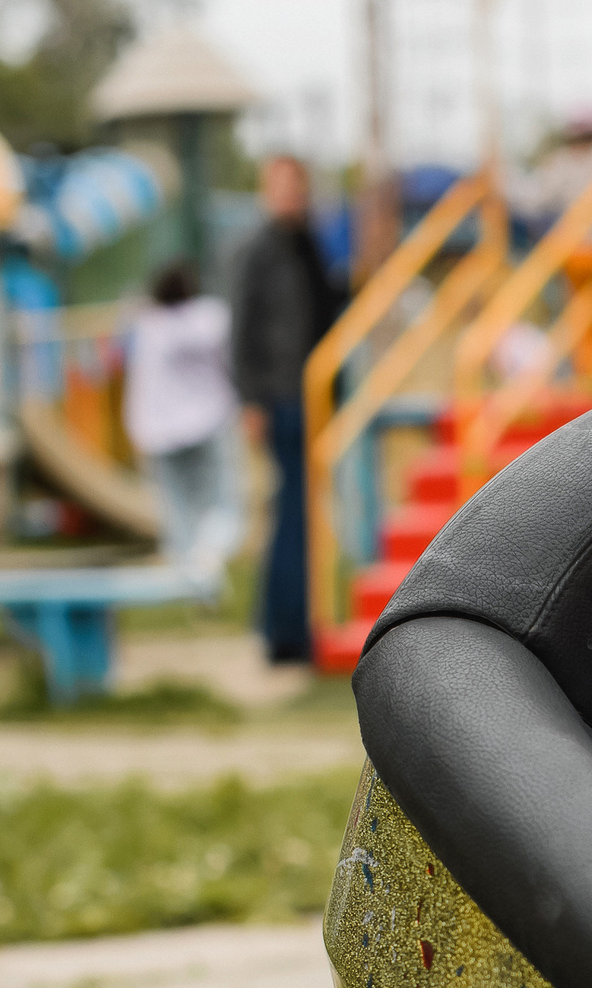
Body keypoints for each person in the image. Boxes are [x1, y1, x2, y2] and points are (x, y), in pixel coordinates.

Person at [232, 155, 344, 663]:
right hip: (280, 395)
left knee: (301, 512)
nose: (290, 197)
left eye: (296, 188)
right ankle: (285, 631)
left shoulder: (309, 245)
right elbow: (242, 329)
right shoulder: (259, 250)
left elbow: (329, 307)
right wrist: (251, 400)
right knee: (292, 511)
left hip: (313, 393)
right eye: (280, 188)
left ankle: (290, 625)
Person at [125, 260, 241, 596]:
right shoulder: (211, 319)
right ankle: (209, 561)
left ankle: (191, 578)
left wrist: (139, 429)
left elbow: (141, 382)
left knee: (178, 508)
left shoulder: (148, 327)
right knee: (221, 502)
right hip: (210, 421)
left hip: (162, 430)